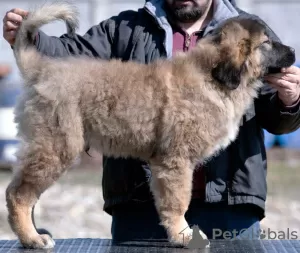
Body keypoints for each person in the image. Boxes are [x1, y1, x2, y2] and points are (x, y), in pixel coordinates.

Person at [3, 0, 300, 243]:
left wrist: (291, 101)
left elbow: (277, 122)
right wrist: (30, 37)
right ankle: (21, 209)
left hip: (230, 210)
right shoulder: (128, 26)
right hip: (138, 212)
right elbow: (73, 55)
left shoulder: (246, 27)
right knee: (52, 157)